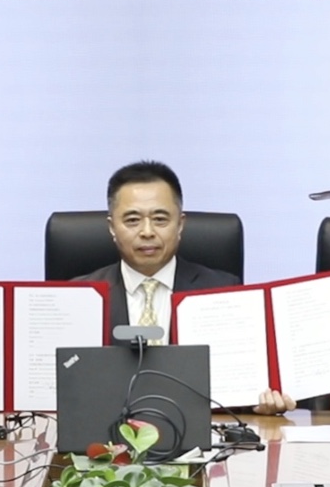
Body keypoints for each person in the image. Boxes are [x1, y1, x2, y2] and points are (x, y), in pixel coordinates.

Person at [76, 160, 295, 414]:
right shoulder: (82, 297)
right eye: (132, 220)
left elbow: (240, 385)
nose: (147, 232)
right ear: (112, 227)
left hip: (200, 431)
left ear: (180, 224)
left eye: (160, 219)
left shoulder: (223, 291)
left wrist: (259, 401)